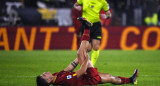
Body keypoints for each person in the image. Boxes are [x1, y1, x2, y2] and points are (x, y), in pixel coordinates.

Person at [36, 18, 138, 86]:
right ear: (48, 81)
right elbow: (81, 71)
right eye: (44, 75)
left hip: (87, 77)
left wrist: (77, 60)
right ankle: (87, 28)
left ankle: (131, 80)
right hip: (89, 78)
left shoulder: (55, 76)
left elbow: (69, 68)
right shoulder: (62, 80)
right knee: (80, 53)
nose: (45, 73)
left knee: (110, 77)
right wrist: (86, 59)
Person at [73, 0, 112, 66]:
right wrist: (77, 7)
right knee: (87, 48)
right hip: (86, 25)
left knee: (96, 47)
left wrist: (106, 16)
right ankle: (82, 64)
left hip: (96, 25)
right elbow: (75, 5)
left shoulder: (103, 2)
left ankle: (92, 66)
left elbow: (108, 14)